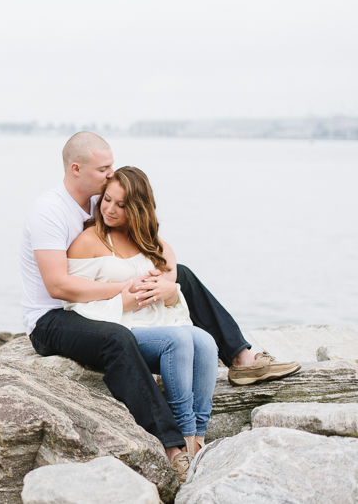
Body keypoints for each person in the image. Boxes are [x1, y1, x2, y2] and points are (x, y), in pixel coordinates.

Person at [20, 131, 300, 480]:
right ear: (76, 168)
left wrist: (165, 285)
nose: (111, 175)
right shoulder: (49, 211)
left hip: (95, 300)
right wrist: (125, 289)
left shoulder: (98, 203)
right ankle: (170, 444)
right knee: (116, 340)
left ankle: (241, 357)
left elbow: (137, 239)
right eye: (104, 169)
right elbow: (57, 286)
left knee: (181, 276)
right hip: (52, 318)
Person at [64, 166, 217, 471]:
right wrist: (124, 301)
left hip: (155, 323)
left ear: (137, 208)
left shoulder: (150, 243)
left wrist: (170, 293)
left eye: (121, 205)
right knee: (179, 341)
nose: (109, 209)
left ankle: (199, 437)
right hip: (122, 329)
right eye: (107, 199)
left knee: (205, 341)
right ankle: (184, 436)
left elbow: (173, 299)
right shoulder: (89, 241)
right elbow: (73, 303)